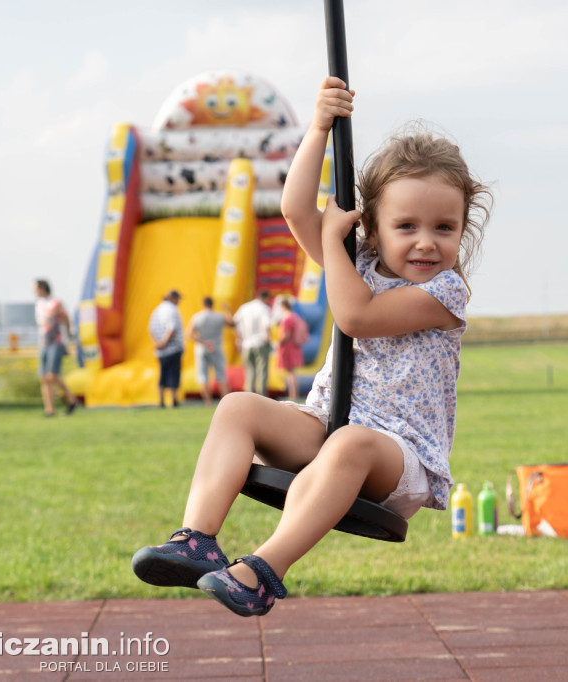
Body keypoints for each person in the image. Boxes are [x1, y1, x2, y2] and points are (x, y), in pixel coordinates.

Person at [131, 75, 492, 617]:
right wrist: (320, 125)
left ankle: (261, 572)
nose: (426, 241)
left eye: (445, 227)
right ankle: (198, 538)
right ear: (372, 225)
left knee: (351, 444)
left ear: (463, 230)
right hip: (328, 424)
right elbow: (296, 209)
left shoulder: (444, 292)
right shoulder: (359, 263)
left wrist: (331, 243)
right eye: (406, 225)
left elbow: (357, 316)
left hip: (400, 458)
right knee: (238, 408)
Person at [33, 279, 78, 417]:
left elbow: (65, 318)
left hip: (56, 341)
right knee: (44, 378)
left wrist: (69, 334)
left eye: (35, 288)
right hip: (43, 342)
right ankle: (50, 410)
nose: (33, 291)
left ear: (42, 288)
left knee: (52, 375)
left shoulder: (56, 303)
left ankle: (71, 399)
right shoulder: (39, 304)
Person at [186, 296, 235, 406]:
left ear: (203, 304)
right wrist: (227, 310)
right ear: (212, 304)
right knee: (221, 375)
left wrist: (203, 342)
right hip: (216, 347)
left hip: (202, 348)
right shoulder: (219, 316)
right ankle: (226, 403)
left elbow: (189, 334)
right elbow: (232, 324)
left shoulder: (197, 317)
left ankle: (208, 402)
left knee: (203, 376)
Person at [148, 290, 184, 408]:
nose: (179, 301)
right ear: (173, 298)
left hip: (160, 350)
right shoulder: (172, 310)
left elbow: (150, 329)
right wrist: (164, 342)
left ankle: (161, 400)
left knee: (163, 375)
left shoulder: (157, 310)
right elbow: (172, 328)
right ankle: (174, 399)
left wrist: (157, 343)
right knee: (174, 374)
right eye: (178, 299)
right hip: (173, 348)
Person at [233, 290, 274, 395]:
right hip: (260, 342)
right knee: (262, 371)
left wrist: (239, 339)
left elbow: (235, 323)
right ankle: (262, 396)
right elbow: (266, 325)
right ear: (266, 298)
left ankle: (249, 396)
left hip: (246, 343)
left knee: (250, 372)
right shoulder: (264, 308)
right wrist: (269, 340)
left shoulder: (244, 307)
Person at [275, 296, 307, 401]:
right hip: (295, 347)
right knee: (292, 372)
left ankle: (292, 395)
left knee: (290, 373)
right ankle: (294, 394)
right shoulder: (295, 317)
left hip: (288, 347)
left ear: (283, 306)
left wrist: (278, 343)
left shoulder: (287, 318)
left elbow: (286, 335)